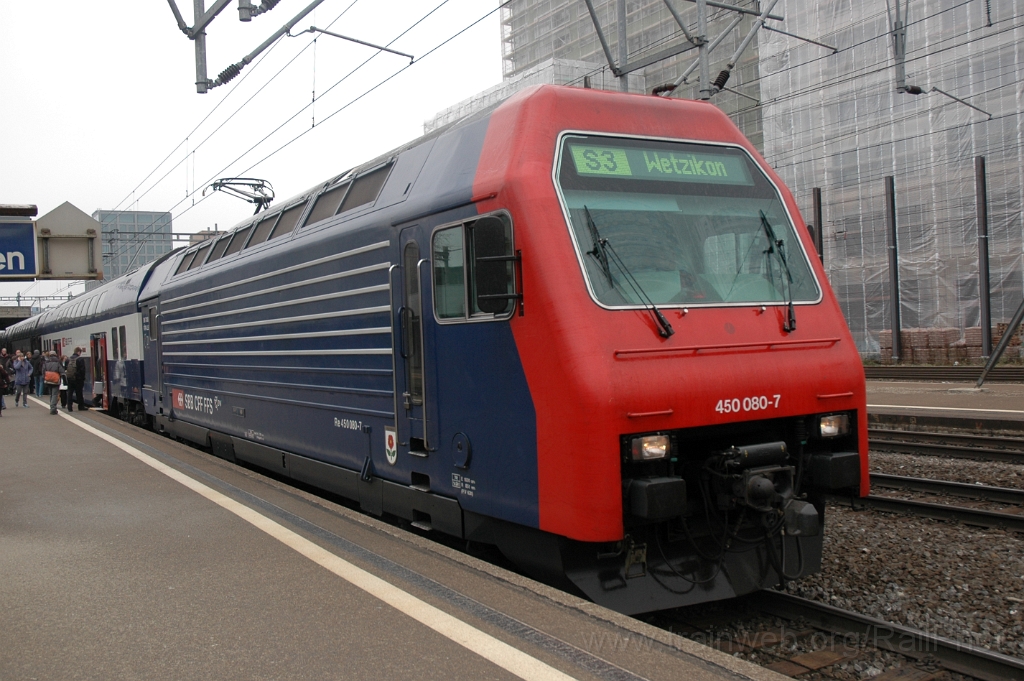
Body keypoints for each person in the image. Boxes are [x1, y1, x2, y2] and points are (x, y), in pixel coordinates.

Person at [66, 347, 89, 412]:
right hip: (78, 379)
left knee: (70, 393)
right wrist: (82, 378)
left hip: (70, 378)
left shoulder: (68, 359)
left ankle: (69, 407)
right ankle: (81, 406)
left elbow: (66, 368)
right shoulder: (80, 359)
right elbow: (82, 370)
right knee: (79, 393)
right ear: (78, 352)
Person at [42, 351, 64, 415]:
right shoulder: (58, 361)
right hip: (55, 380)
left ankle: (52, 406)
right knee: (55, 394)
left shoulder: (46, 362)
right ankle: (53, 408)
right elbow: (61, 371)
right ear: (55, 355)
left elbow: (43, 371)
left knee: (51, 394)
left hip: (48, 380)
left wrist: (44, 378)